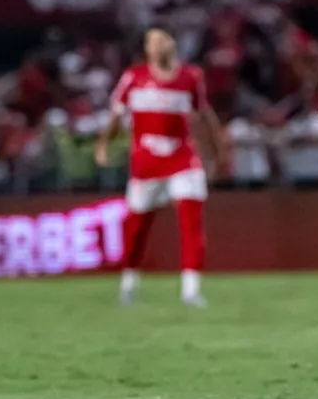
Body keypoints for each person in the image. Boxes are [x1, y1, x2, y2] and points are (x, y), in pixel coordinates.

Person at [95, 28, 228, 307]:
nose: (156, 47)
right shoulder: (134, 78)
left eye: (161, 42)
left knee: (191, 222)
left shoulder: (190, 77)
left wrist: (218, 151)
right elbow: (116, 117)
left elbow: (205, 115)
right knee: (137, 228)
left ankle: (190, 290)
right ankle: (129, 283)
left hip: (182, 157)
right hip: (146, 163)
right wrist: (104, 144)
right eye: (152, 43)